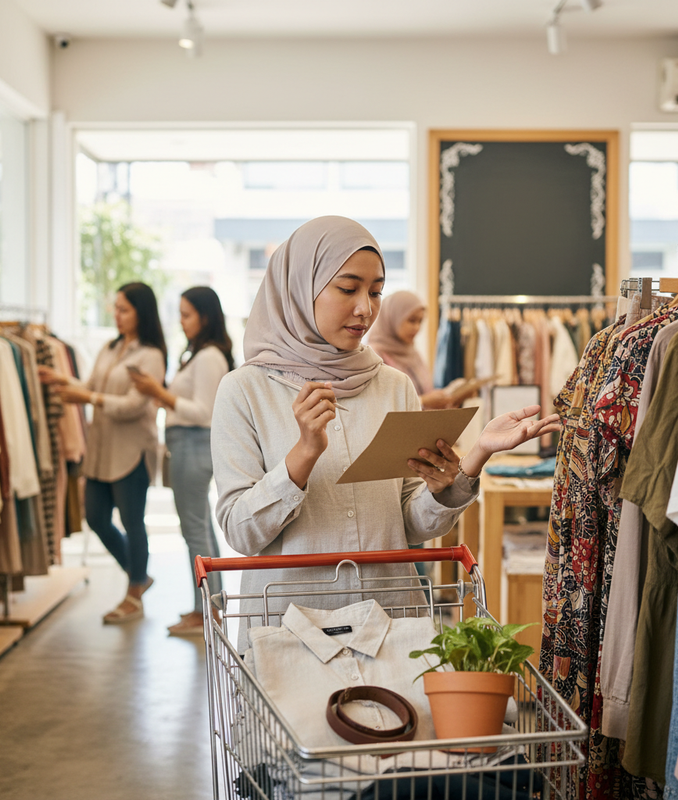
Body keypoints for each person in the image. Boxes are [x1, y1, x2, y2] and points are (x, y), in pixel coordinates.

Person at [210, 216, 560, 651]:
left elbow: (411, 524)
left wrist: (471, 460)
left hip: (390, 625)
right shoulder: (245, 390)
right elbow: (240, 534)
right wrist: (302, 456)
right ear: (301, 286)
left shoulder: (392, 384)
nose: (366, 308)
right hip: (290, 634)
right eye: (348, 288)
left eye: (376, 292)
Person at [39, 282, 167, 624]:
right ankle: (138, 575)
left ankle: (134, 593)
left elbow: (132, 405)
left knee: (132, 522)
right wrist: (61, 379)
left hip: (131, 451)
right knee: (95, 517)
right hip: (100, 450)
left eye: (124, 309)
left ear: (142, 312)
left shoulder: (150, 355)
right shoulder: (111, 348)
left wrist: (89, 400)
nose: (117, 315)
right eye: (116, 308)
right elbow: (92, 386)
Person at [129, 286, 232, 636]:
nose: (181, 322)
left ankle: (204, 610)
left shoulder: (208, 357)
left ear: (205, 316)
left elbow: (203, 412)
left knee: (194, 531)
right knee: (200, 529)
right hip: (188, 445)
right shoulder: (199, 354)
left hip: (192, 444)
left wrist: (159, 393)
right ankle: (210, 608)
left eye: (186, 315)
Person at [367, 290, 457, 409]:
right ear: (393, 317)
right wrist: (423, 401)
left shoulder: (413, 353)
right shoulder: (373, 355)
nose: (417, 327)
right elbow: (376, 405)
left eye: (420, 321)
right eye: (411, 320)